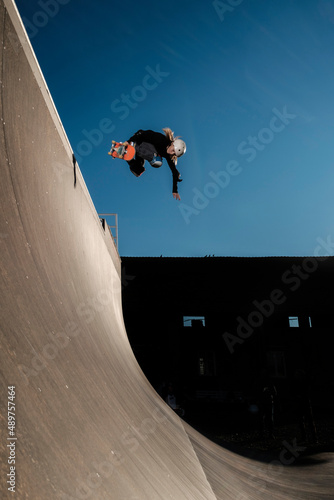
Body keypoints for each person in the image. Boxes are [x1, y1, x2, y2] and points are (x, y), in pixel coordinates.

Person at [125, 128, 186, 200]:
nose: (171, 153)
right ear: (172, 143)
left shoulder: (168, 156)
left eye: (174, 153)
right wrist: (130, 141)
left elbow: (174, 172)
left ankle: (127, 156)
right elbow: (145, 133)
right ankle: (132, 146)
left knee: (138, 171)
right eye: (173, 150)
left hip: (143, 150)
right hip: (140, 138)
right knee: (157, 160)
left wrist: (175, 190)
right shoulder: (161, 139)